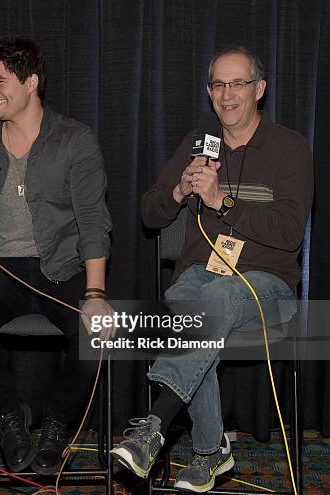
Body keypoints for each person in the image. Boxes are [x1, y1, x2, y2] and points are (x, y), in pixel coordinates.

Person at [110, 46, 313, 492]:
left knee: (207, 307)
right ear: (208, 91)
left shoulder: (290, 147)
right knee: (195, 306)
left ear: (259, 89)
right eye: (219, 84)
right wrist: (180, 191)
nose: (227, 94)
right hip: (198, 279)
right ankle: (211, 453)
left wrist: (224, 201)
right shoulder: (197, 144)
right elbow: (149, 214)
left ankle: (155, 426)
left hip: (268, 288)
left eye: (237, 83)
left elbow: (289, 233)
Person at [0, 37, 113, 475]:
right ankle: (8, 417)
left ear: (32, 82)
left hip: (60, 266)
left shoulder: (74, 139)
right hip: (1, 267)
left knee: (96, 332)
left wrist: (95, 293)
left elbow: (94, 221)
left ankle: (58, 422)